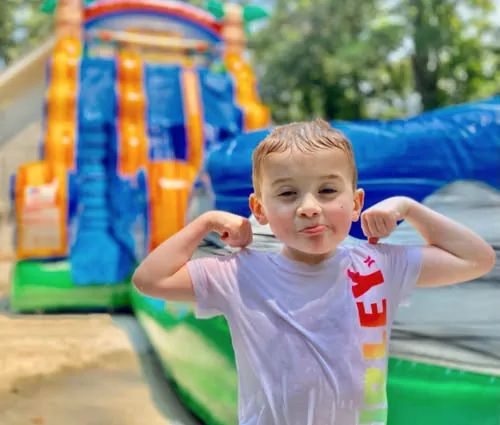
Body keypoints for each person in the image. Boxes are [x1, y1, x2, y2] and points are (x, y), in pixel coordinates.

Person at [132, 119, 495, 425]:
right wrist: (206, 221)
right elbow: (150, 279)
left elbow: (476, 259)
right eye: (288, 194)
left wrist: (410, 208)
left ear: (355, 203)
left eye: (326, 190)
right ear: (260, 210)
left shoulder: (377, 265)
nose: (309, 207)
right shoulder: (239, 273)